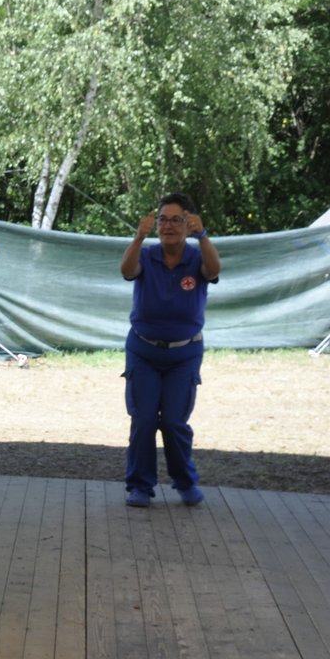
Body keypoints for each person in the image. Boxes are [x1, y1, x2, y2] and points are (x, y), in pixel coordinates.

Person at [119, 191, 220, 508]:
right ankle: (140, 486)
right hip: (144, 350)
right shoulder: (147, 256)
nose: (169, 226)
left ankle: (185, 482)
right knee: (144, 419)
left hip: (184, 353)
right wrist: (139, 236)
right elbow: (126, 271)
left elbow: (214, 271)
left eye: (177, 220)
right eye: (163, 220)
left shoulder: (197, 257)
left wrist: (203, 235)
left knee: (175, 421)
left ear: (189, 224)